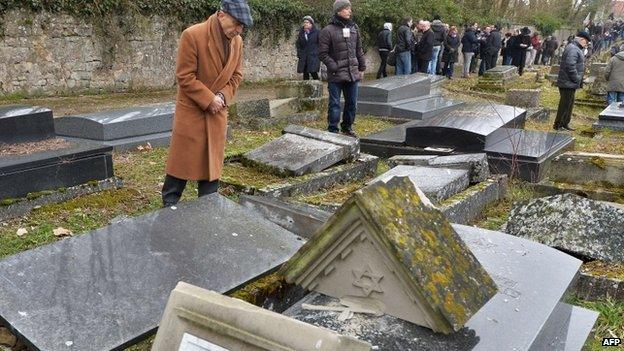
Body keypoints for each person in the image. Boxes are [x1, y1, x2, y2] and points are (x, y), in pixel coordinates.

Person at [162, 0, 252, 207]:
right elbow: (184, 76)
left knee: (212, 166)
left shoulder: (237, 41)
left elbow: (237, 76)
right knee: (181, 163)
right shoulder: (193, 35)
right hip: (192, 110)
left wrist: (222, 96)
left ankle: (208, 207)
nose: (239, 30)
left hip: (217, 111)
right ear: (222, 15)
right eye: (237, 23)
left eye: (242, 26)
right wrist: (207, 98)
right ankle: (169, 205)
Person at [318, 0, 365, 137]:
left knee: (352, 103)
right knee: (335, 104)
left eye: (349, 8)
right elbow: (322, 53)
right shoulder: (327, 30)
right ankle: (333, 129)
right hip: (336, 74)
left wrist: (362, 67)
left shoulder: (354, 28)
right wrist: (334, 66)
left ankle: (347, 127)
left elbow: (359, 49)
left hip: (352, 73)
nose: (349, 11)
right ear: (338, 11)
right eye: (346, 8)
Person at [554, 31, 590, 131]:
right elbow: (570, 65)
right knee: (565, 104)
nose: (586, 44)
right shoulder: (573, 49)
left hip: (569, 82)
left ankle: (565, 123)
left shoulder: (575, 48)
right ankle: (558, 124)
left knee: (569, 104)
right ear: (582, 39)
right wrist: (577, 78)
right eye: (586, 42)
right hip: (568, 82)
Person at [296, 16, 320, 80]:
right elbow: (298, 44)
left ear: (311, 24)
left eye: (307, 22)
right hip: (304, 56)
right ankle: (306, 89)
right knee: (305, 73)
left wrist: (318, 53)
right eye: (304, 22)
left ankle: (317, 87)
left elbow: (321, 44)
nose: (305, 24)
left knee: (313, 72)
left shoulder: (317, 32)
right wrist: (299, 54)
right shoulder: (301, 33)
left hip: (313, 56)